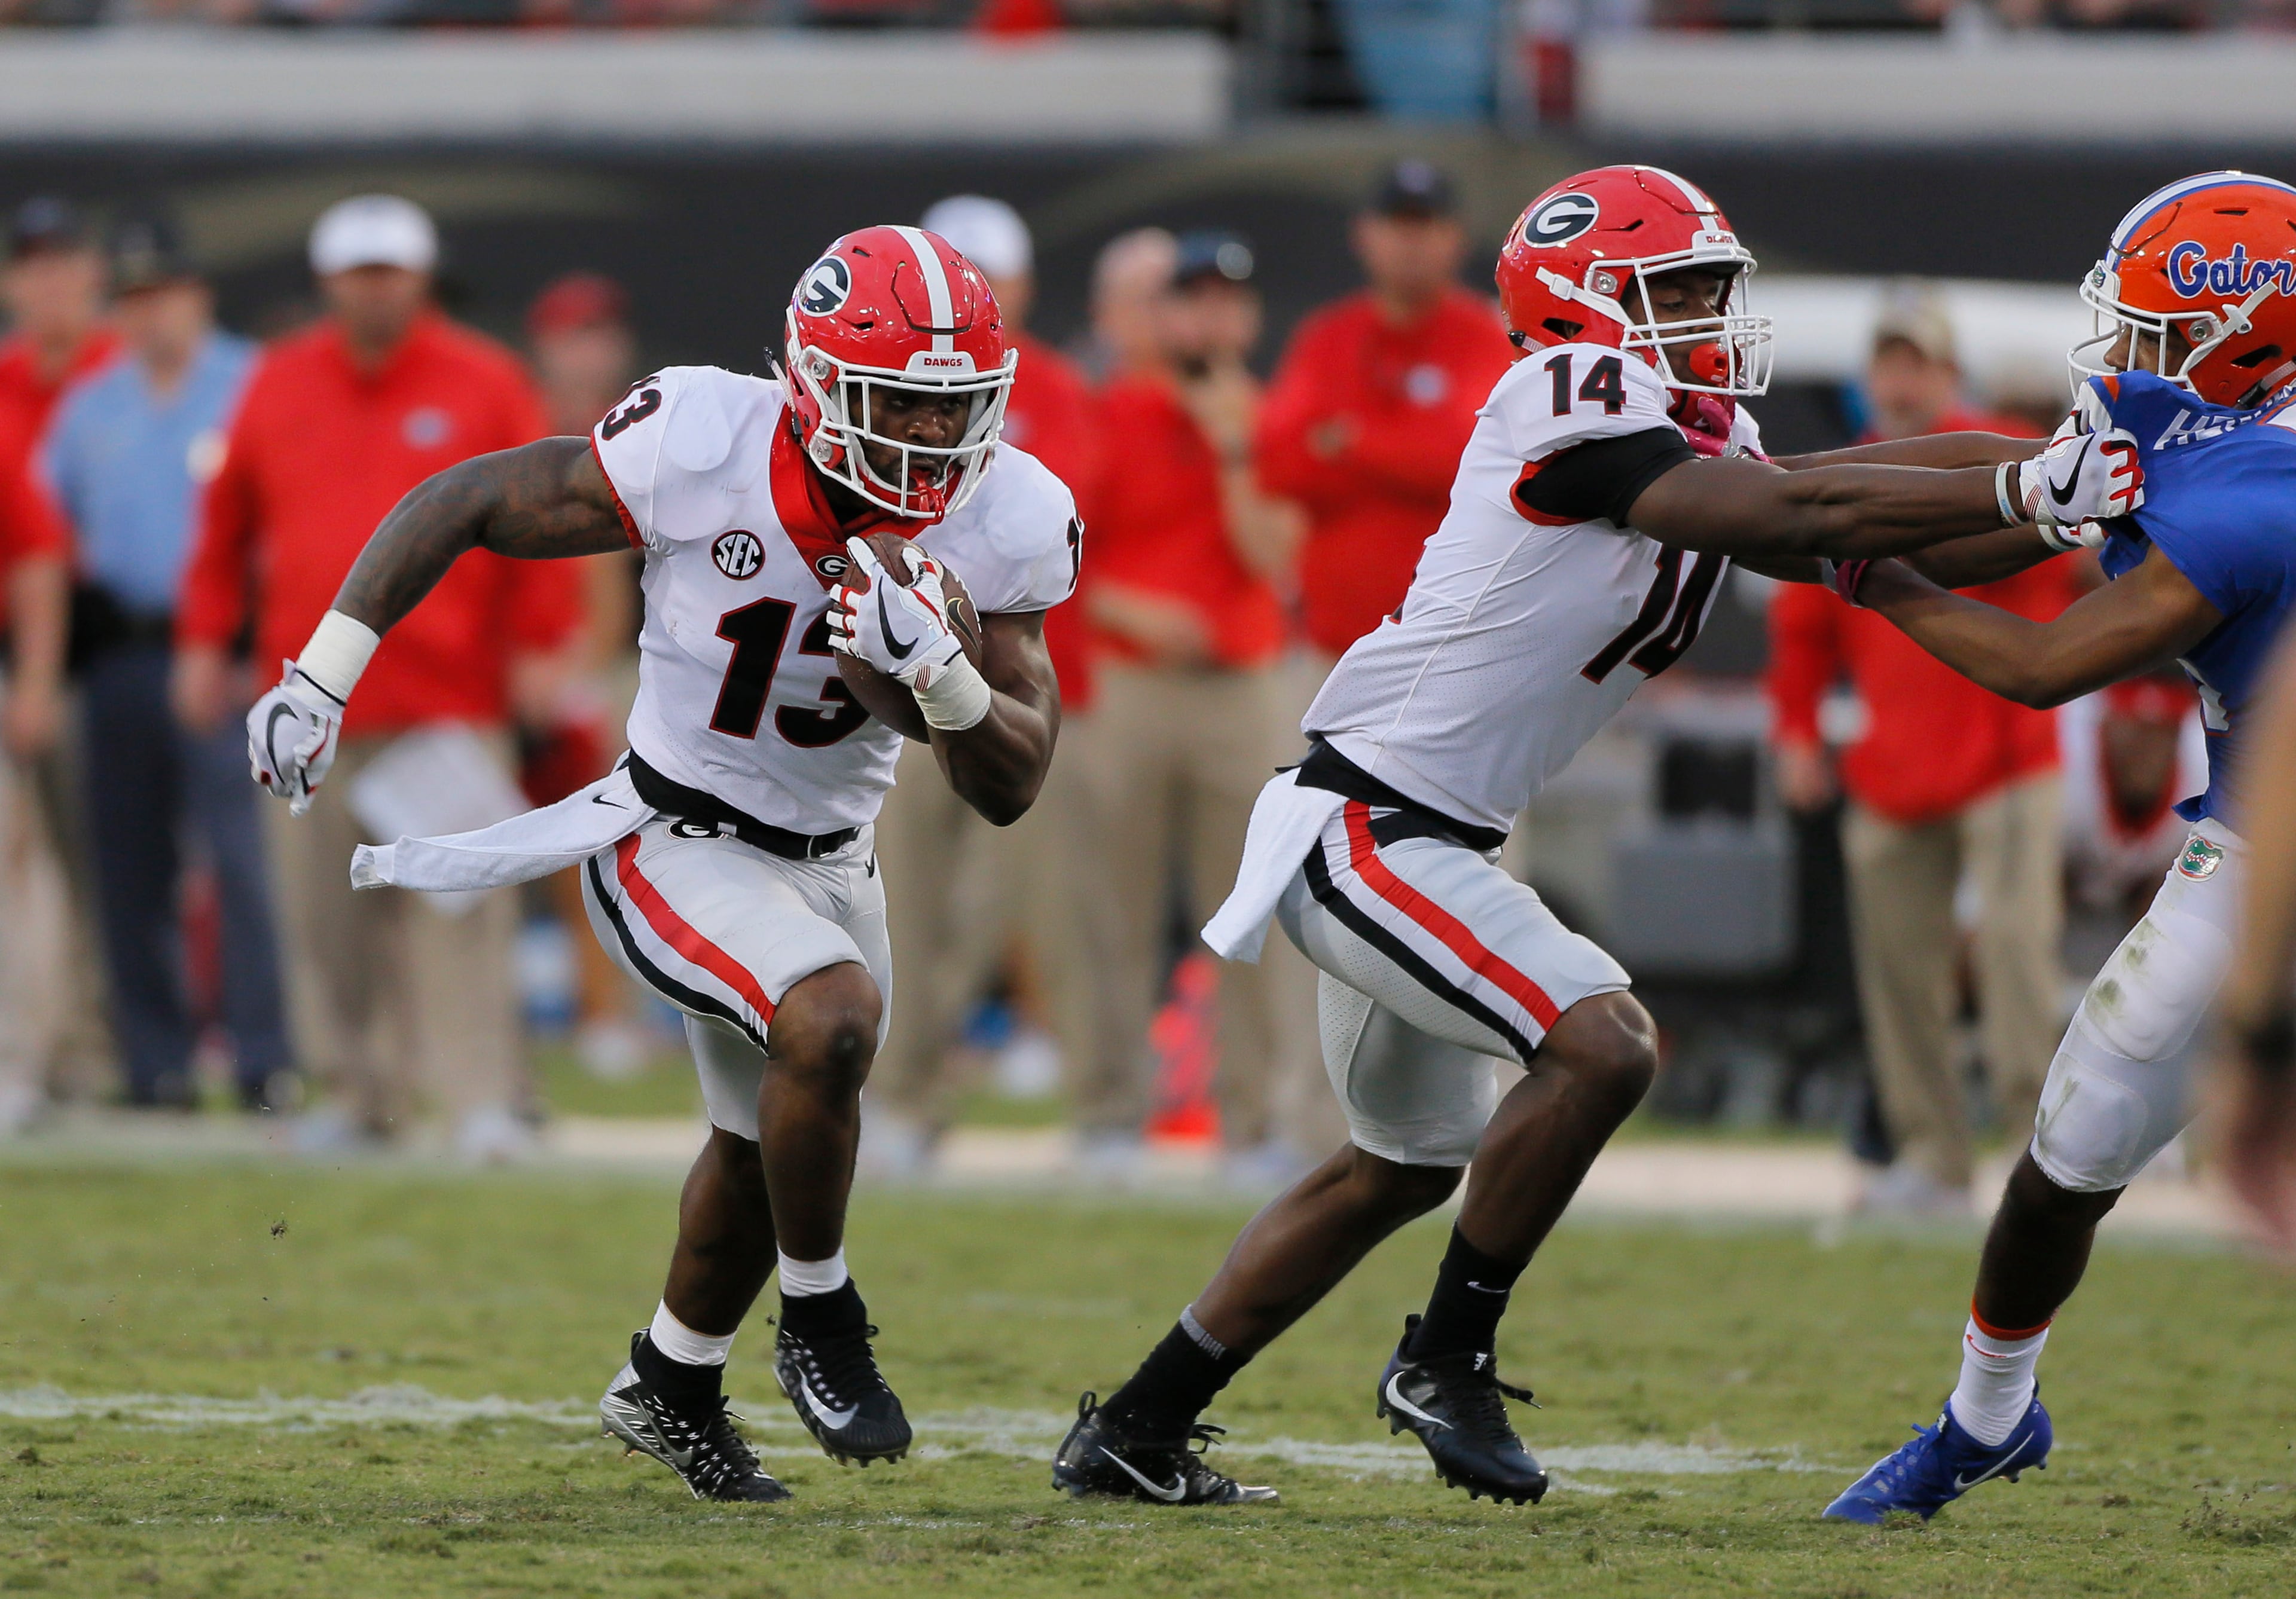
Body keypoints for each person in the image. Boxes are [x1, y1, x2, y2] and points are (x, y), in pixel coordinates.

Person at [1049, 163, 2132, 1509]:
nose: (1705, 316)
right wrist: (2035, 486)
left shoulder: (1687, 436)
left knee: (1393, 1168)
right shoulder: (1566, 399)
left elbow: (1865, 500)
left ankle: (1138, 1426)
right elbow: (1804, 511)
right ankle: (1444, 1355)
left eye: (1710, 289)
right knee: (1603, 1039)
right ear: (1580, 307)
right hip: (1371, 824)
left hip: (1435, 836)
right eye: (1673, 290)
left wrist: (2080, 477)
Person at [243, 226, 1076, 1502]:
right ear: (811, 382)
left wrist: (944, 677)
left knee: (765, 1140)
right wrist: (321, 673)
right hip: (669, 828)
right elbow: (465, 497)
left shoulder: (1008, 515)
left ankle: (670, 1380)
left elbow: (1013, 779)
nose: (927, 432)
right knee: (831, 1017)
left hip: (833, 855)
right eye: (898, 396)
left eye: (952, 404)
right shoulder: (704, 441)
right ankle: (821, 1315)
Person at [1818, 171, 2296, 1524]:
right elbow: (2025, 517)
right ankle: (1986, 1417)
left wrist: (1872, 575)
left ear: (2243, 338)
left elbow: (2041, 666)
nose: (2126, 353)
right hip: (2257, 839)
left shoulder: (2257, 487)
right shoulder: (2209, 432)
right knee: (2071, 1147)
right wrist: (1862, 519)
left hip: (2269, 848)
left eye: (2151, 327)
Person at [175, 194, 578, 1159]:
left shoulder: (483, 380)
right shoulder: (276, 382)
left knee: (459, 910)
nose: (375, 290)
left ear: (422, 275)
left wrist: (541, 641)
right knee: (325, 916)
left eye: (390, 271)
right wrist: (202, 641)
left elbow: (555, 516)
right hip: (314, 701)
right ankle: (361, 1093)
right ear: (328, 281)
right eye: (359, 273)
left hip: (445, 697)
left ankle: (480, 1096)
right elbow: (225, 530)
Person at [1767, 286, 2072, 1215]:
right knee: (1900, 969)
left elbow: (2059, 564)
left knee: (2020, 956)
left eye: (1918, 363)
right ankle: (1931, 1154)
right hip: (1895, 760)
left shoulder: (1994, 455)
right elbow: (1802, 624)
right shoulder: (1851, 476)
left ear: (1947, 376)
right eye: (1888, 363)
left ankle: (2043, 1157)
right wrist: (1796, 731)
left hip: (2007, 744)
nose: (1901, 381)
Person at [863, 194, 1116, 1174]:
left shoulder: (1054, 389)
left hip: (1016, 687)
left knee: (1050, 907)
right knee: (901, 907)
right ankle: (906, 1099)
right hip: (905, 687)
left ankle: (1100, 1109)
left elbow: (1065, 534)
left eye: (996, 273)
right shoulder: (881, 382)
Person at [28, 215, 292, 1111]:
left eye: (164, 294)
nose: (150, 315)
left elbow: (280, 523)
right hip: (121, 653)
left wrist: (239, 644)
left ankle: (264, 1056)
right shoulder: (90, 403)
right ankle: (156, 1059)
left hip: (230, 650)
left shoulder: (251, 383)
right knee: (127, 864)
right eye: (132, 299)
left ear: (197, 295)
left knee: (244, 858)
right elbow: (43, 529)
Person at [1082, 230, 1308, 1180]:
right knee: (1111, 911)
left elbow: (1277, 554)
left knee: (1253, 915)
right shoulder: (1110, 412)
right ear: (1159, 315)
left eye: (1227, 301)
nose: (1209, 318)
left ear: (1248, 319)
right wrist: (1134, 606)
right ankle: (1107, 1116)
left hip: (1242, 687)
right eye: (1191, 300)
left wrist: (1234, 447)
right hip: (1130, 684)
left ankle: (1253, 1123)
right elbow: (1055, 557)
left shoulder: (1273, 419)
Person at [1254, 160, 1514, 665]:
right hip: (1334, 643)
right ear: (1365, 235)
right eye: (1397, 224)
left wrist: (1349, 442)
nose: (1410, 241)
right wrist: (1405, 453)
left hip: (1455, 640)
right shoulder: (1327, 336)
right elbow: (1280, 463)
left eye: (1426, 225)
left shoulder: (1485, 334)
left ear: (1455, 238)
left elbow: (1465, 460)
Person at [0, 195, 121, 1118]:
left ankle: (97, 1045)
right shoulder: (7, 381)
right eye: (31, 263)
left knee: (101, 860)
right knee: (34, 862)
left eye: (62, 260)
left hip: (106, 636)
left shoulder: (125, 373)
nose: (48, 280)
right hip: (33, 638)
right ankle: (58, 1049)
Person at [524, 271, 653, 1079]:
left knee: (622, 845)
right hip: (526, 670)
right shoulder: (522, 428)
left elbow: (613, 588)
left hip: (633, 669)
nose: (589, 349)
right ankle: (594, 1008)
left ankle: (618, 1009)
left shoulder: (649, 426)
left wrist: (579, 664)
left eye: (600, 332)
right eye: (574, 333)